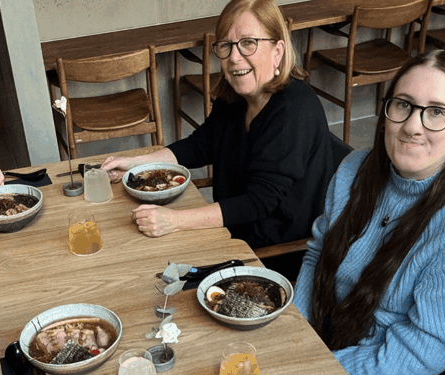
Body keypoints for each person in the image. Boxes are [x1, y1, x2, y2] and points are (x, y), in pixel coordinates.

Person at [292, 50, 445, 375]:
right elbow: (318, 252)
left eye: (437, 112)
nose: (413, 126)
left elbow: (424, 351)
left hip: (402, 371)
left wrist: (318, 369)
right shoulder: (355, 168)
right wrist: (294, 332)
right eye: (403, 104)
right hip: (333, 335)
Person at [101, 0, 350, 279]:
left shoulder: (295, 108)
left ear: (277, 51)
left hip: (275, 254)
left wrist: (175, 221)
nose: (234, 57)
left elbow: (257, 203)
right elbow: (201, 145)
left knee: (144, 270)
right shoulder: (236, 98)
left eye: (248, 43)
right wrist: (136, 164)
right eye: (226, 45)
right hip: (233, 231)